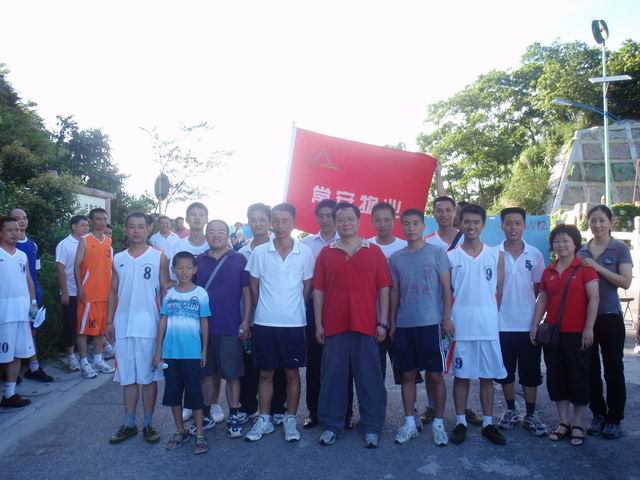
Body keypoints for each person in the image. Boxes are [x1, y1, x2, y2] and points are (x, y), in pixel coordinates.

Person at [313, 202, 392, 448]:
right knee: (333, 378)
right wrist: (318, 323)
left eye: (350, 219)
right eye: (341, 219)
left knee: (370, 379)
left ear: (358, 221)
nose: (345, 223)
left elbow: (384, 289)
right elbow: (318, 290)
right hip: (334, 326)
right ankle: (332, 425)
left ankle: (371, 426)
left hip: (366, 324)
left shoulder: (374, 251)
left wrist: (383, 322)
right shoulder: (326, 253)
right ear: (335, 223)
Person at [244, 203, 314, 443]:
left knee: (292, 373)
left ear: (293, 222)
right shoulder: (260, 252)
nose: (280, 225)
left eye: (285, 220)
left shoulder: (305, 252)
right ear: (271, 222)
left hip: (294, 324)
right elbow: (254, 286)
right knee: (265, 373)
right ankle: (264, 419)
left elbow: (307, 286)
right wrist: (264, 308)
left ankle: (290, 419)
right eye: (276, 220)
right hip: (264, 322)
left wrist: (294, 308)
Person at [531, 223, 599, 446]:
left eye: (566, 241)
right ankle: (564, 422)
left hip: (578, 334)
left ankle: (578, 423)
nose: (561, 245)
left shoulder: (585, 269)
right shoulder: (549, 270)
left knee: (578, 378)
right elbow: (542, 299)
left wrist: (589, 327)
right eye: (557, 241)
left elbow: (594, 299)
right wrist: (535, 325)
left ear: (575, 244)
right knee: (556, 377)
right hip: (552, 334)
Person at [389, 208, 452, 446]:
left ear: (423, 226)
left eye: (415, 223)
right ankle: (409, 423)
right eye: (406, 223)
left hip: (432, 323)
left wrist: (447, 318)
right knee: (407, 374)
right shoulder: (396, 258)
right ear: (402, 227)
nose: (411, 228)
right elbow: (395, 291)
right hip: (405, 325)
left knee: (435, 375)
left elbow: (446, 288)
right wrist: (393, 321)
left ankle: (438, 424)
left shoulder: (437, 253)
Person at [106, 212, 169, 445]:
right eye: (131, 226)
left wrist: (165, 326)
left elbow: (165, 291)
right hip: (123, 326)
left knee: (148, 378)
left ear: (148, 229)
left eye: (141, 226)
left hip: (149, 326)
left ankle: (149, 424)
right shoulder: (118, 258)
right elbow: (113, 291)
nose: (136, 231)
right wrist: (109, 321)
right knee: (128, 378)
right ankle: (129, 423)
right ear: (126, 229)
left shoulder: (159, 257)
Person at [447, 204, 507, 446]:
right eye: (467, 222)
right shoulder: (451, 257)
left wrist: (490, 315)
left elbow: (498, 290)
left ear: (483, 224)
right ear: (460, 224)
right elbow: (447, 293)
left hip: (487, 327)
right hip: (461, 326)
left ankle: (488, 423)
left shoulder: (496, 255)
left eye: (476, 222)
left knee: (487, 377)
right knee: (461, 377)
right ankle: (461, 421)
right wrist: (447, 319)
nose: (471, 226)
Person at [424, 196, 481, 426]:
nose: (444, 214)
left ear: (455, 213)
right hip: (433, 312)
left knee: (463, 361)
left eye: (449, 210)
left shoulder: (468, 238)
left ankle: (464, 408)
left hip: (462, 312)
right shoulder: (427, 242)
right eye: (439, 210)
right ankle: (431, 406)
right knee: (432, 365)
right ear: (433, 213)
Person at [578, 205, 632, 439]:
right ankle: (597, 414)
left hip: (610, 316)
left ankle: (614, 418)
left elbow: (625, 282)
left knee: (613, 369)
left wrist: (597, 267)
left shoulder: (620, 249)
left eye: (601, 220)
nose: (597, 225)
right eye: (593, 221)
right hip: (585, 319)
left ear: (610, 222)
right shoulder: (581, 251)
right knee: (590, 369)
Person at [495, 207, 548, 436]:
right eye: (508, 223)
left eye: (517, 223)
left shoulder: (535, 254)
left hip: (527, 325)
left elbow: (538, 290)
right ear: (502, 226)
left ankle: (531, 414)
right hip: (500, 324)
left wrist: (533, 319)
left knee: (530, 372)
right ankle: (510, 410)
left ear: (524, 226)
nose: (513, 227)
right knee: (505, 371)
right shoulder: (493, 254)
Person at [195, 220, 251, 438]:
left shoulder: (239, 259)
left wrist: (246, 320)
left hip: (230, 326)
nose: (216, 235)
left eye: (220, 232)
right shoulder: (198, 261)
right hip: (203, 328)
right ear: (206, 235)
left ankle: (234, 415)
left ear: (228, 235)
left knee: (232, 374)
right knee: (207, 374)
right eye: (211, 231)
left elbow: (247, 293)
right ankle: (206, 415)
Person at [301, 198, 354, 430]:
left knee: (343, 363)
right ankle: (314, 412)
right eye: (321, 215)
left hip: (341, 309)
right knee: (314, 363)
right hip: (313, 309)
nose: (325, 220)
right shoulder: (306, 244)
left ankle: (346, 413)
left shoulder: (348, 242)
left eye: (329, 216)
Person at [171, 203, 224, 425]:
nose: (197, 218)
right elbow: (171, 278)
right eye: (193, 215)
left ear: (206, 218)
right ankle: (191, 403)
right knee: (187, 359)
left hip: (214, 312)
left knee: (212, 362)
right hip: (185, 313)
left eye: (201, 215)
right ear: (187, 218)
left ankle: (213, 402)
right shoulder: (178, 245)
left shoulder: (215, 241)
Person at [154, 251, 210, 455]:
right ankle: (180, 431)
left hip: (193, 353)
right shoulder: (169, 294)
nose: (184, 272)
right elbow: (163, 320)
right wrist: (158, 350)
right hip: (171, 353)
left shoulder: (201, 293)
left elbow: (204, 322)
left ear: (195, 270)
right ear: (173, 270)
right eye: (180, 268)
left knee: (195, 394)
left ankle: (200, 433)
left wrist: (204, 349)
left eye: (188, 268)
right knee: (173, 394)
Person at [237, 203, 288, 425]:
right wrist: (244, 319)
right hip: (249, 317)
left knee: (277, 365)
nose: (257, 223)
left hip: (275, 318)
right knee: (249, 364)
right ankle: (248, 406)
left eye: (262, 219)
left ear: (269, 222)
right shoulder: (241, 253)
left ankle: (277, 407)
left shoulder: (280, 248)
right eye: (253, 220)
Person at [10, 208, 53, 383]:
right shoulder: (7, 246)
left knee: (32, 331)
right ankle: (10, 371)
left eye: (24, 217)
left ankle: (33, 367)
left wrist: (35, 295)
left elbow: (35, 272)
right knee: (12, 332)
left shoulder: (33, 245)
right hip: (13, 298)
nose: (21, 221)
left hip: (33, 296)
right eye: (17, 218)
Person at [74, 207, 116, 378]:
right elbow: (76, 266)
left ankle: (98, 360)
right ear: (91, 221)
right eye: (98, 219)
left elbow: (110, 268)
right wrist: (79, 288)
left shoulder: (108, 241)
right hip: (89, 294)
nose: (101, 222)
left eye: (104, 219)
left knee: (99, 330)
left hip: (104, 294)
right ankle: (84, 363)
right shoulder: (84, 240)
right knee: (83, 330)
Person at [0, 217, 37, 407]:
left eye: (17, 229)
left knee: (17, 354)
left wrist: (33, 303)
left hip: (21, 312)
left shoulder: (22, 255)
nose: (15, 233)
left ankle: (10, 393)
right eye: (10, 230)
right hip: (3, 314)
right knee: (2, 356)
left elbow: (28, 279)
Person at [55, 215, 90, 371]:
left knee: (83, 324)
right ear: (73, 227)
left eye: (87, 225)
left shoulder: (88, 242)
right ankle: (70, 356)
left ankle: (84, 355)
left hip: (86, 291)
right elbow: (60, 268)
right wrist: (64, 291)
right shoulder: (65, 244)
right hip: (70, 291)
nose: (86, 228)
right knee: (70, 324)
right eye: (83, 225)